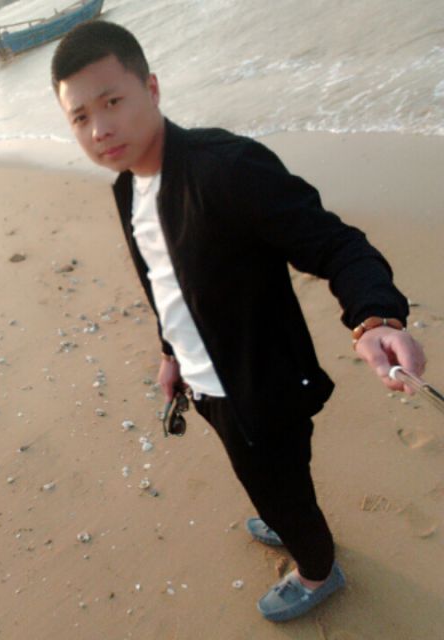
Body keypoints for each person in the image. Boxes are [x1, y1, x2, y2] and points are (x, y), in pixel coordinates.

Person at [51, 22, 426, 622]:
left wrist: (375, 317)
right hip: (208, 385)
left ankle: (318, 568)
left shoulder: (228, 169)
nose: (99, 129)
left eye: (112, 101)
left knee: (280, 483)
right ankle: (283, 514)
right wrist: (171, 353)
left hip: (264, 387)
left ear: (151, 88)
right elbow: (164, 282)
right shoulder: (127, 189)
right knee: (262, 476)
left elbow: (336, 245)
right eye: (80, 117)